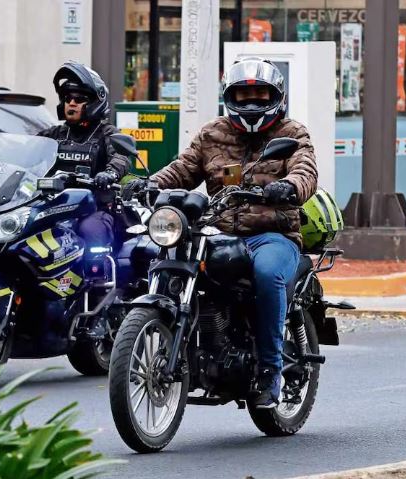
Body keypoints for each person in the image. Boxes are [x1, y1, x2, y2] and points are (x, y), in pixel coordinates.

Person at [125, 58, 318, 408]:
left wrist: (288, 188)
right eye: (243, 95)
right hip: (220, 231)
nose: (251, 102)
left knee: (267, 273)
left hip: (272, 234)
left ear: (276, 96)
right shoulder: (212, 133)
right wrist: (148, 183)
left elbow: (305, 172)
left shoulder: (292, 133)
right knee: (171, 256)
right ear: (230, 97)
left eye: (260, 94)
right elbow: (182, 169)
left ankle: (270, 372)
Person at [38, 61, 130, 249]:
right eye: (67, 98)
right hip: (53, 207)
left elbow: (121, 156)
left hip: (93, 208)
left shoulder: (107, 132)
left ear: (95, 102)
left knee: (91, 230)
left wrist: (110, 173)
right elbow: (26, 154)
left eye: (79, 99)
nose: (71, 103)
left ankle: (96, 276)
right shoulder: (53, 135)